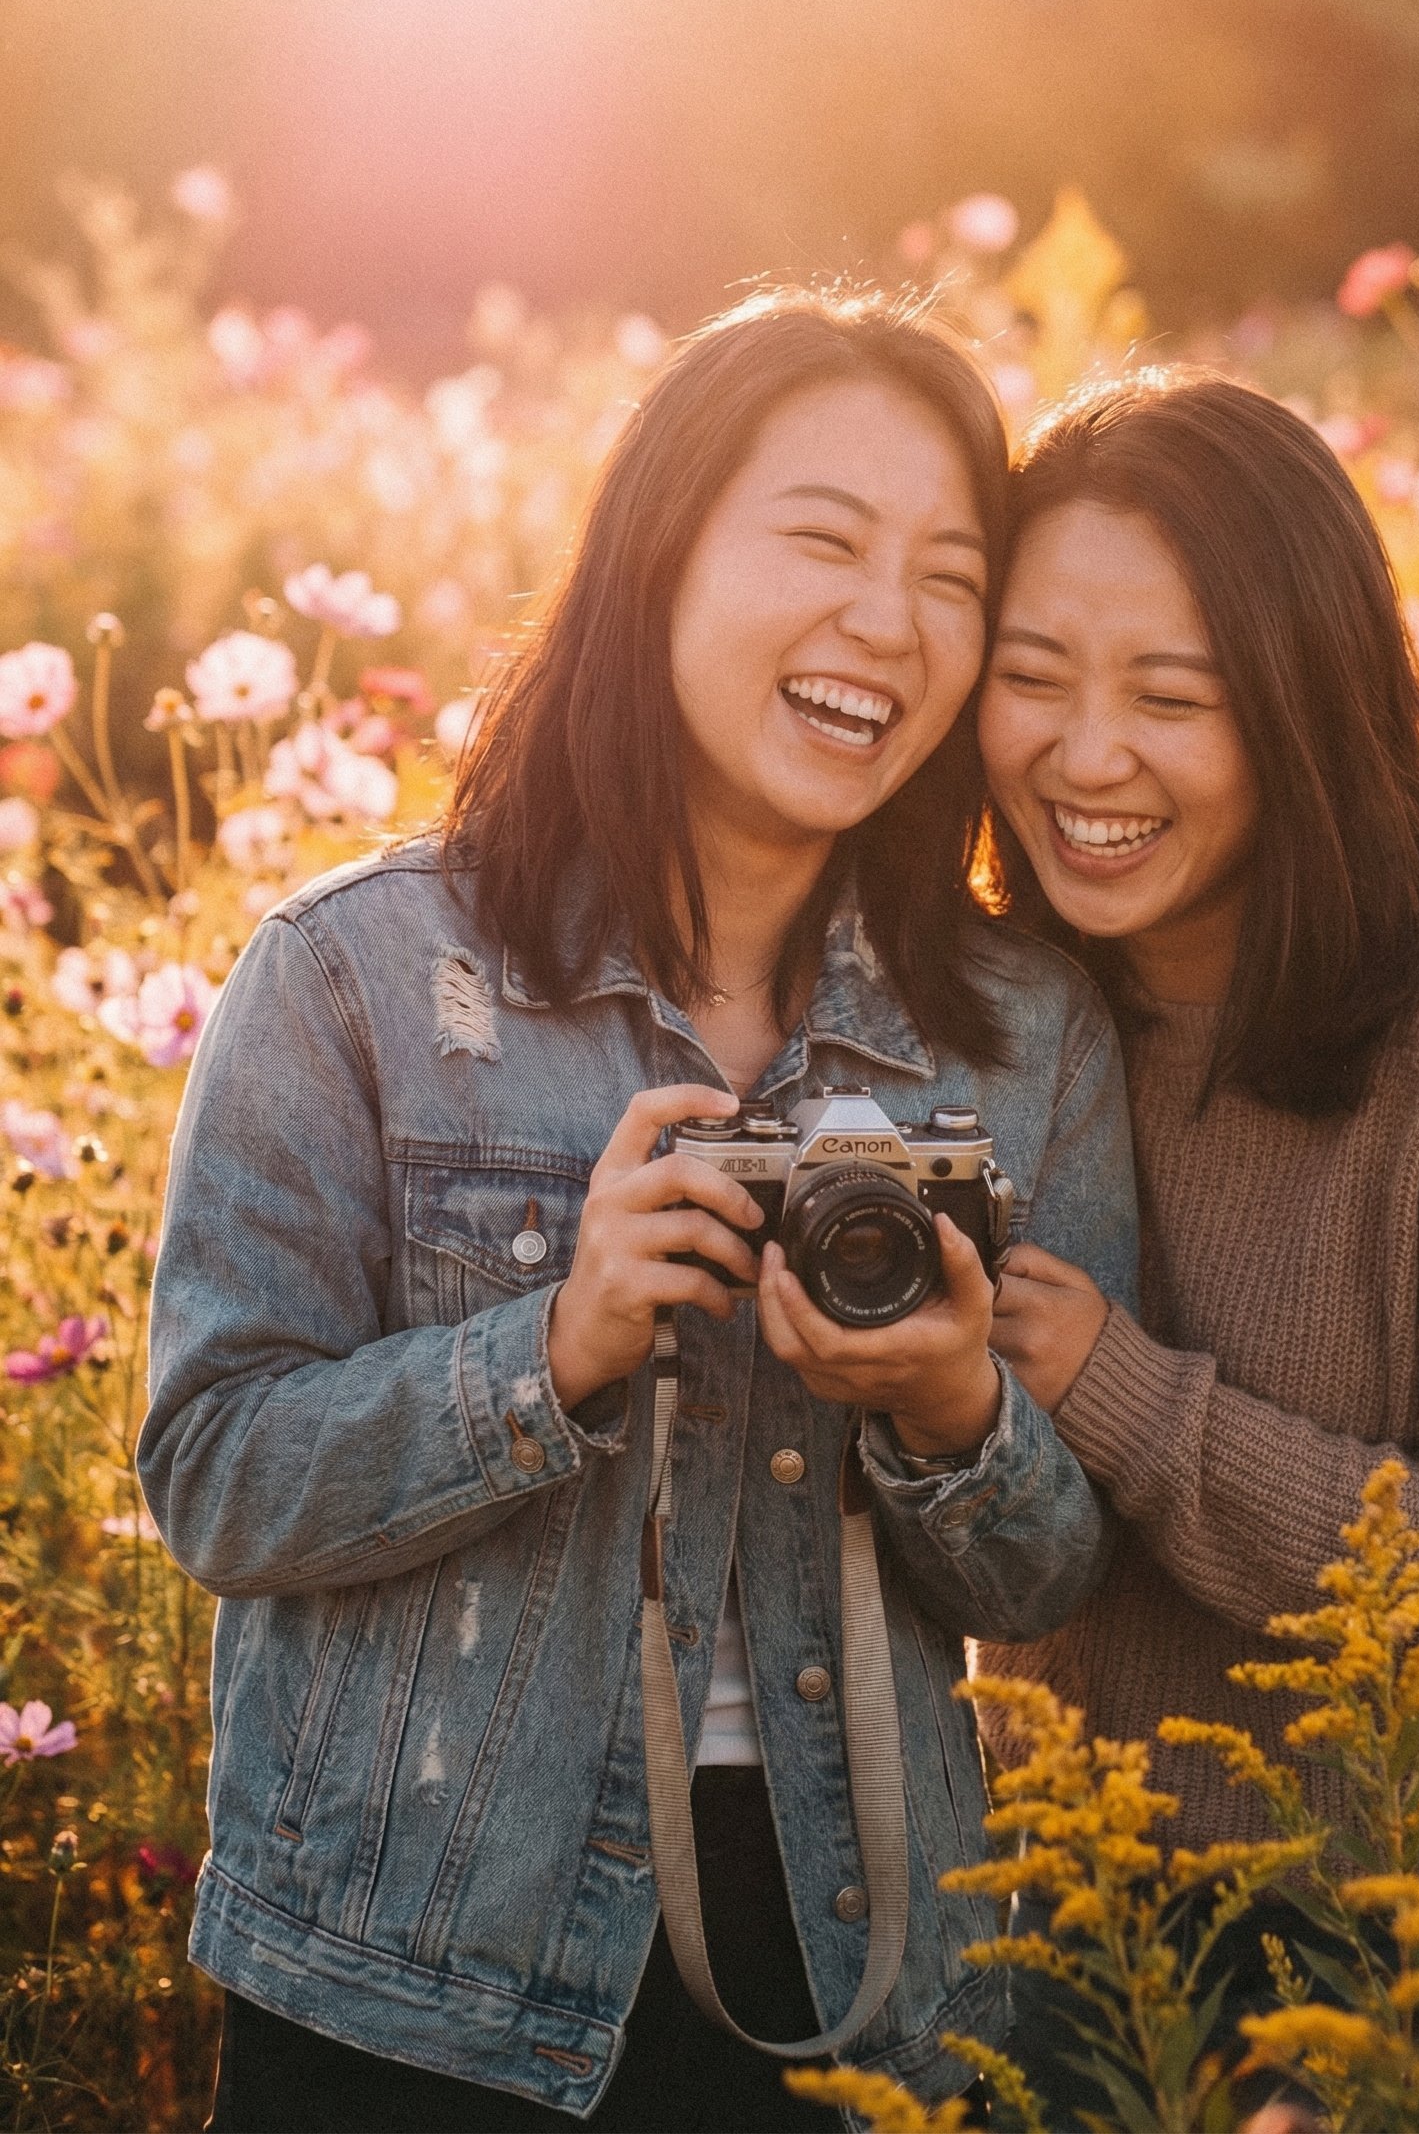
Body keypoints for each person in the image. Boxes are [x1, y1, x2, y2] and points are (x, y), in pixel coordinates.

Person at [138, 290, 1138, 2132]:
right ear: (659, 551)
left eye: (948, 574)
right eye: (826, 540)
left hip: (842, 1963)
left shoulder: (1017, 1036)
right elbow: (213, 1475)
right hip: (415, 1965)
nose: (885, 624)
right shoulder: (354, 978)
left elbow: (1051, 1571)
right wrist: (555, 1348)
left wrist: (948, 1413)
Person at [973, 368, 1419, 2105]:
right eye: (1033, 677)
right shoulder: (993, 1019)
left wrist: (1121, 1396)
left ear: (1303, 710)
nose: (1086, 757)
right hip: (1070, 1926)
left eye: (1173, 696)